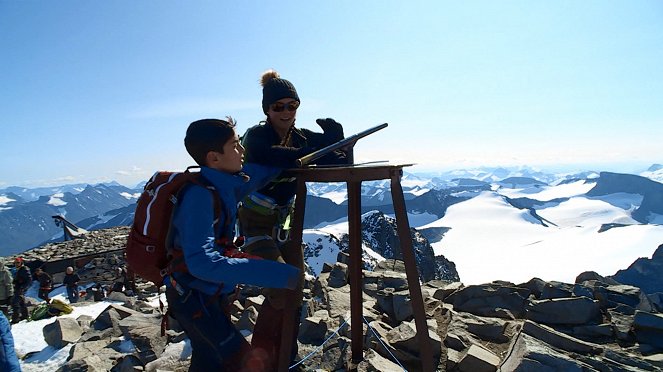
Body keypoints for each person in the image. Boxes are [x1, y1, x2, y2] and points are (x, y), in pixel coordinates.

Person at [164, 117, 301, 371]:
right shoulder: (199, 197)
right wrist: (278, 274)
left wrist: (290, 161)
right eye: (236, 146)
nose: (242, 151)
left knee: (208, 358)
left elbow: (254, 176)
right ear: (214, 158)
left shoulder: (221, 185)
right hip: (194, 299)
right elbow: (202, 261)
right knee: (239, 362)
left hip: (203, 296)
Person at [238, 69, 346, 369]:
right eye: (278, 106)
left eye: (292, 105)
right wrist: (319, 147)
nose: (286, 112)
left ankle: (285, 354)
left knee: (294, 290)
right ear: (267, 110)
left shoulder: (298, 137)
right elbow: (276, 156)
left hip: (286, 225)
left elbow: (336, 162)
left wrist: (339, 142)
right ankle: (260, 358)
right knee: (280, 286)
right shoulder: (256, 136)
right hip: (255, 223)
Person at [11, 257, 31, 324]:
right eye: (15, 263)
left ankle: (15, 318)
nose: (16, 264)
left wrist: (23, 288)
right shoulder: (18, 269)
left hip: (21, 288)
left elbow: (29, 280)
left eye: (18, 262)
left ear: (21, 263)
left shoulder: (25, 269)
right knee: (21, 302)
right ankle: (25, 315)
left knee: (15, 303)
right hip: (18, 287)